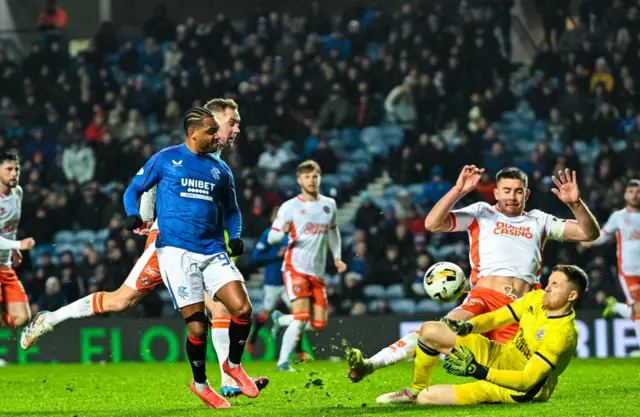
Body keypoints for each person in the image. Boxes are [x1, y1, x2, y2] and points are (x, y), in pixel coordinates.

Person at [21, 99, 266, 398]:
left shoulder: (219, 165)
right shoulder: (175, 156)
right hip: (171, 244)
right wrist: (146, 216)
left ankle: (228, 378)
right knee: (121, 301)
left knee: (222, 306)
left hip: (204, 247)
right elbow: (148, 183)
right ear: (211, 123)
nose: (237, 128)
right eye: (233, 122)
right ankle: (49, 319)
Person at [347, 165, 600, 403]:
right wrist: (458, 191)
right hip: (483, 296)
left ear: (526, 194)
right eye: (507, 190)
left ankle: (496, 392)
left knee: (512, 366)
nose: (512, 196)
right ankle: (377, 369)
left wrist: (575, 204)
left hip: (522, 306)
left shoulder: (539, 220)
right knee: (437, 329)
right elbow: (432, 224)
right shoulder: (482, 212)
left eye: (518, 191)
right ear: (496, 192)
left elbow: (588, 233)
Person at [412, 264, 587, 406]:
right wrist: (469, 326)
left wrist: (478, 370)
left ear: (572, 295)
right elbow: (496, 318)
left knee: (428, 397)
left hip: (519, 390)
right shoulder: (536, 298)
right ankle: (414, 390)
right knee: (430, 331)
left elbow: (527, 380)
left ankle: (485, 394)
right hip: (502, 356)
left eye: (555, 285)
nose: (547, 288)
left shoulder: (562, 334)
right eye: (549, 282)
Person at [267, 160, 347, 371]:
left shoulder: (329, 204)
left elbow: (333, 232)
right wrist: (282, 233)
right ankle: (283, 362)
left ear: (320, 178)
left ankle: (283, 320)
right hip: (295, 267)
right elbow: (272, 238)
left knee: (319, 324)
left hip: (317, 271)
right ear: (299, 180)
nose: (311, 180)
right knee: (302, 316)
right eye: (307, 176)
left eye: (315, 176)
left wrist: (337, 258)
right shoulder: (290, 206)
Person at [584, 179, 640, 357]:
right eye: (631, 192)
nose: (634, 195)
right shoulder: (619, 216)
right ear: (625, 195)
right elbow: (603, 235)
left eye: (638, 192)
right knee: (638, 309)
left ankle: (615, 307)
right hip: (629, 271)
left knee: (636, 309)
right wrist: (588, 241)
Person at [0, 152, 36, 328]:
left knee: (22, 318)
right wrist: (18, 244)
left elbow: (9, 226)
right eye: (9, 169)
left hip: (5, 265)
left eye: (17, 169)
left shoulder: (18, 193)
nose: (14, 173)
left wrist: (14, 250)